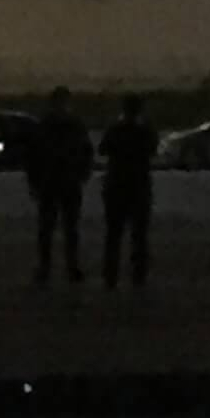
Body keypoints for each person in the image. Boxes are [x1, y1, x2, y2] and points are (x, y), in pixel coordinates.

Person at [26, 86, 93, 286]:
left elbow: (33, 156)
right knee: (68, 228)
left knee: (49, 229)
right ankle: (69, 267)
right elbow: (85, 151)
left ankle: (47, 268)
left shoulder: (45, 125)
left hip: (52, 182)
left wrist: (34, 181)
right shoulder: (73, 125)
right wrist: (82, 173)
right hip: (66, 182)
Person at [98, 94, 156, 289]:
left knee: (114, 235)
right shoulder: (144, 130)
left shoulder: (116, 129)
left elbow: (103, 149)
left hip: (117, 186)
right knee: (139, 236)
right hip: (138, 186)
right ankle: (138, 275)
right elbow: (152, 149)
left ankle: (110, 276)